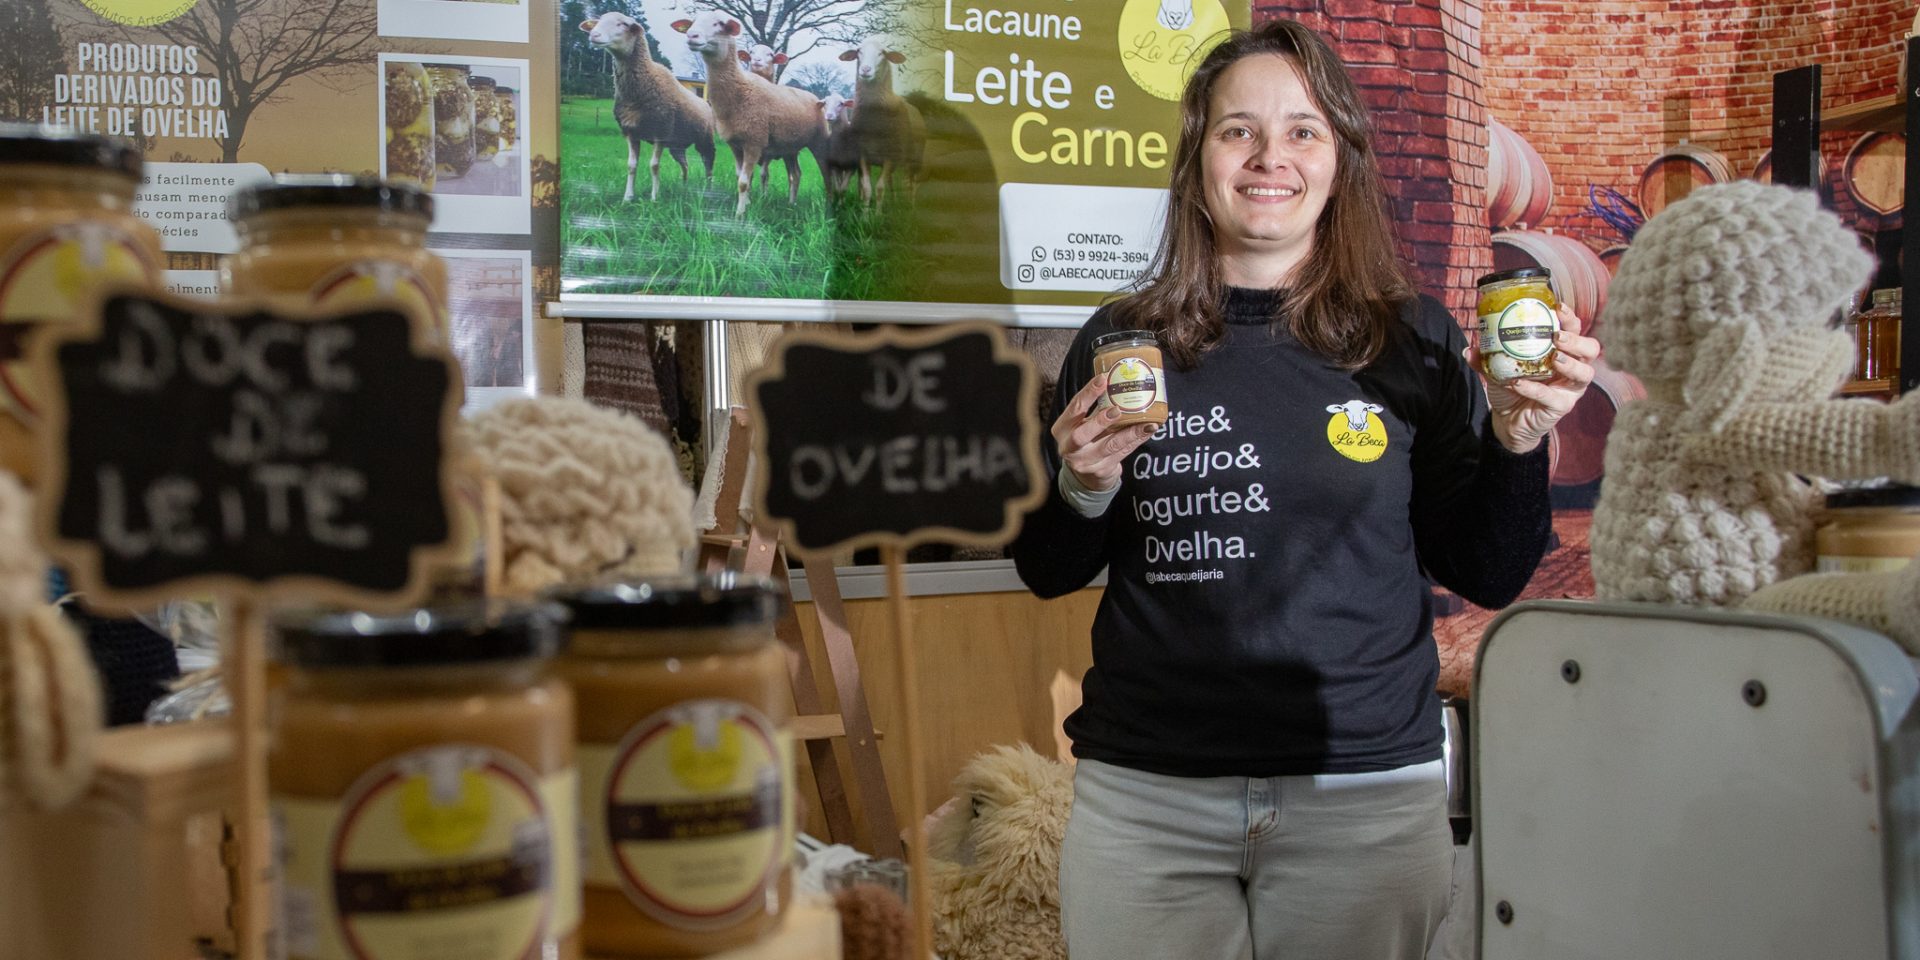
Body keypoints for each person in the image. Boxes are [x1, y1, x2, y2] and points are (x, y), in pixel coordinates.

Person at [1009, 18, 1599, 960]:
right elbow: (1048, 570)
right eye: (1238, 130)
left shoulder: (1413, 339)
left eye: (1302, 131)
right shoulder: (1123, 343)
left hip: (1363, 798)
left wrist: (1520, 438)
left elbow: (1486, 569)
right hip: (1152, 799)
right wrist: (1084, 483)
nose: (1268, 157)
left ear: (1339, 161)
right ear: (1198, 158)